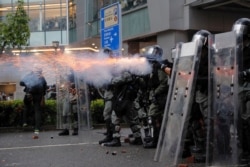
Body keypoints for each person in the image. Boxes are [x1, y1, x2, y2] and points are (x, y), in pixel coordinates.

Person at [103, 68, 143, 147]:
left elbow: (120, 79)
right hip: (126, 99)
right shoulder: (128, 71)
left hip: (124, 100)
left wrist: (110, 80)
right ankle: (138, 138)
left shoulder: (126, 73)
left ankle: (116, 139)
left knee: (115, 118)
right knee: (130, 119)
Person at [140, 45, 170, 148]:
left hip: (161, 97)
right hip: (156, 96)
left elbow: (164, 83)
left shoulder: (159, 66)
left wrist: (155, 93)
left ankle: (157, 141)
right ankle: (158, 140)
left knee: (154, 116)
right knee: (155, 117)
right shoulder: (152, 67)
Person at [233, 18, 250, 163]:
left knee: (248, 120)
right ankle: (244, 150)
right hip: (239, 88)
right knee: (240, 121)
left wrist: (246, 73)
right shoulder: (237, 49)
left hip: (249, 88)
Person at [20, 65, 47, 139]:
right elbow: (45, 87)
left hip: (30, 94)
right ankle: (37, 128)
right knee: (37, 111)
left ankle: (25, 122)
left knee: (26, 106)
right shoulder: (42, 77)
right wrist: (43, 96)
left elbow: (21, 82)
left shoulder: (30, 75)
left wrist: (27, 83)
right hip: (38, 96)